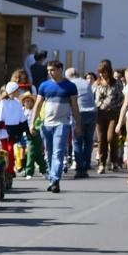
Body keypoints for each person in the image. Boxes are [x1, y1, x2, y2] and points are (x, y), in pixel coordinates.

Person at [34, 60, 80, 192]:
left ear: (60, 69)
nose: (50, 73)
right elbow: (37, 105)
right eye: (48, 71)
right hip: (46, 124)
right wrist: (32, 123)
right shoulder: (44, 86)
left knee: (58, 152)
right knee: (48, 153)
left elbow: (75, 106)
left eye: (52, 70)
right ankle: (51, 179)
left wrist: (78, 124)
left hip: (63, 123)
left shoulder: (70, 86)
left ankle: (55, 180)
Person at [93, 59, 123, 173]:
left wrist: (114, 106)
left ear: (109, 71)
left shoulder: (116, 83)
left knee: (111, 137)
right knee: (101, 139)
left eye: (104, 72)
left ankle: (114, 161)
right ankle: (101, 163)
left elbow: (121, 98)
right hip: (100, 113)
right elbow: (94, 98)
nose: (102, 74)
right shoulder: (97, 84)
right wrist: (100, 105)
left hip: (113, 113)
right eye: (100, 72)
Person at [66, 67, 96, 177]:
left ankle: (80, 168)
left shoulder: (70, 84)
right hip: (92, 112)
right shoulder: (86, 83)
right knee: (88, 141)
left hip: (79, 112)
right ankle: (86, 164)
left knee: (77, 141)